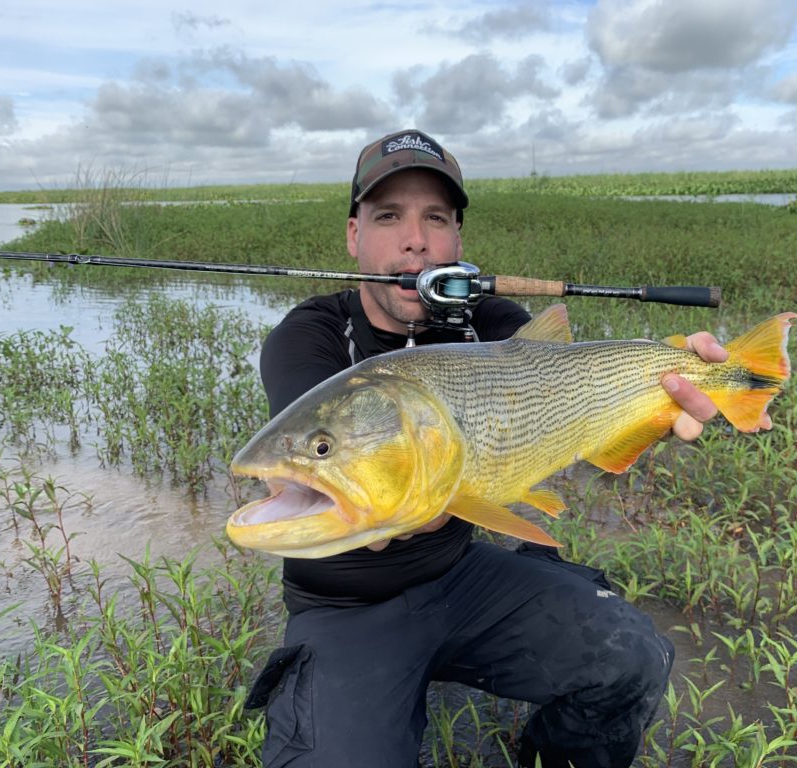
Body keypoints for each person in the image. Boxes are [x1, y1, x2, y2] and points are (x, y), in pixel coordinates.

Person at [244, 129, 728, 768]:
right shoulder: (308, 337)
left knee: (631, 655)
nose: (414, 238)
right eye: (388, 215)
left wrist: (662, 395)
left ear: (457, 243)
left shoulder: (492, 325)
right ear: (353, 235)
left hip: (461, 578)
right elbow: (351, 498)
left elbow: (573, 379)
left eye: (435, 218)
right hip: (345, 605)